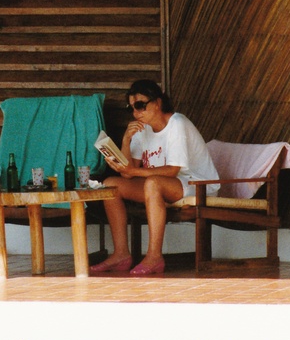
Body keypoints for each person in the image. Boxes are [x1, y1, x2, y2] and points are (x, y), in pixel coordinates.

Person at [91, 79, 220, 276]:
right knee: (111, 185)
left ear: (158, 102)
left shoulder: (177, 123)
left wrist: (134, 173)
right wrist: (126, 140)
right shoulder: (142, 129)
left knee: (152, 184)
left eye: (141, 105)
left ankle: (154, 256)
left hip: (198, 183)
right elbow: (128, 171)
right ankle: (121, 254)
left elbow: (173, 170)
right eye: (132, 108)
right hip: (164, 185)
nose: (136, 113)